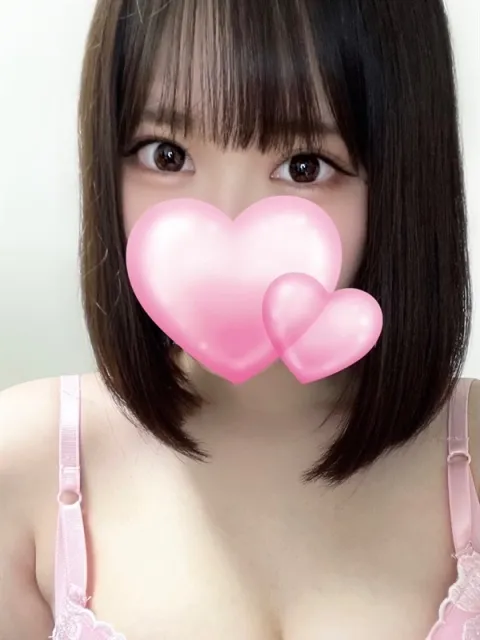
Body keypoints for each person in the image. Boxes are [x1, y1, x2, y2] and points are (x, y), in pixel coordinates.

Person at [1, 0, 479, 638]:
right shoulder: (22, 464)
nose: (225, 216)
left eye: (304, 166)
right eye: (166, 155)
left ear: (402, 178)